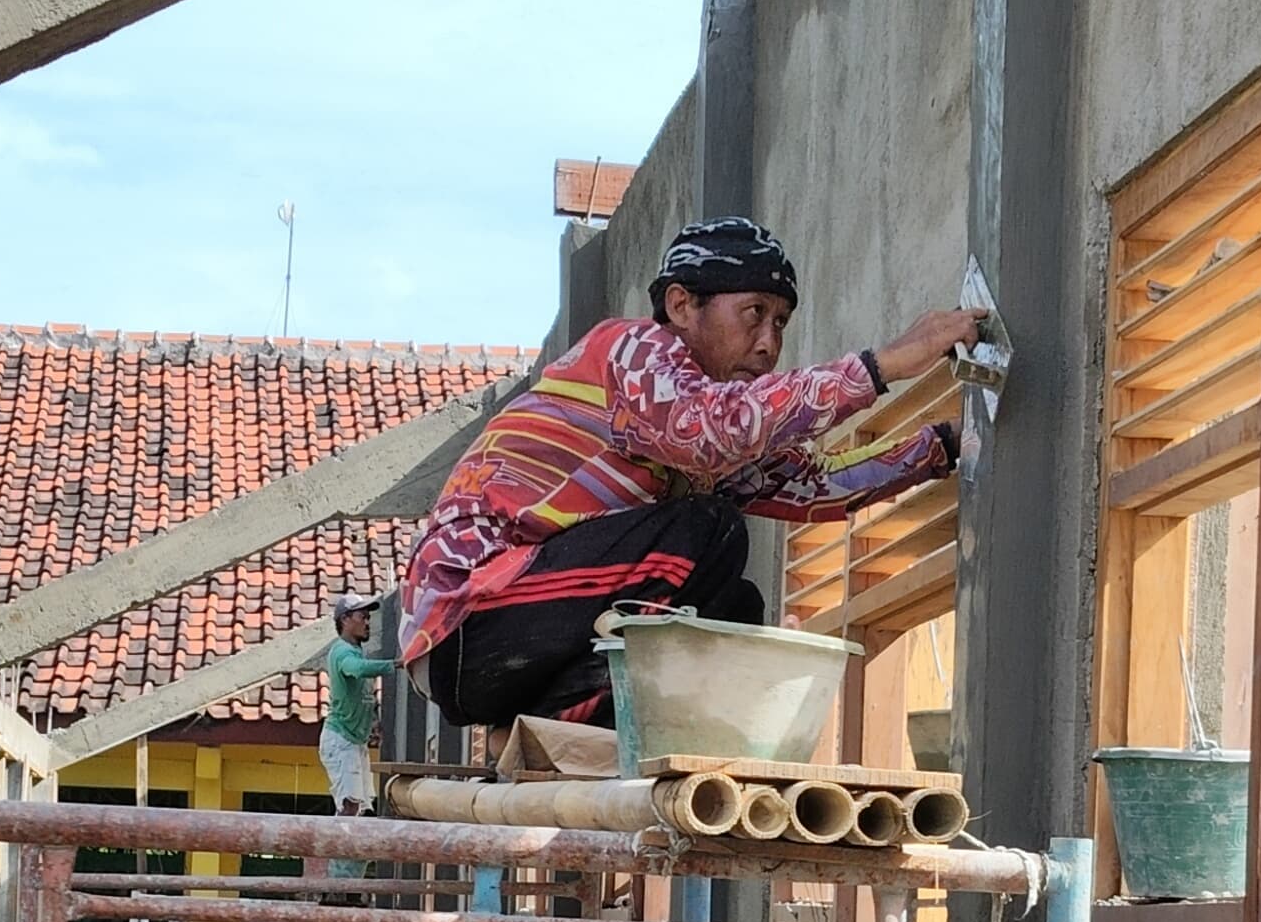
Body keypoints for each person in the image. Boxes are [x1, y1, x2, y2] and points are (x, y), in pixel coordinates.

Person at [398, 216, 984, 728]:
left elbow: (817, 484)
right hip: (469, 622)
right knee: (712, 529)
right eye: (754, 314)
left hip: (522, 635)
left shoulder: (715, 427)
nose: (768, 343)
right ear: (681, 306)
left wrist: (949, 445)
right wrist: (879, 367)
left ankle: (551, 724)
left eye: (780, 323)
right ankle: (558, 722)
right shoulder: (633, 353)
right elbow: (704, 430)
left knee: (734, 611)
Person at [319, 592, 391, 815]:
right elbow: (357, 669)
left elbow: (363, 692)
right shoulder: (342, 652)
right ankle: (336, 848)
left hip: (354, 741)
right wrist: (396, 664)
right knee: (349, 805)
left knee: (362, 806)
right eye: (363, 617)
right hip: (341, 740)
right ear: (345, 620)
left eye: (368, 617)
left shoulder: (356, 651)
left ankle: (346, 848)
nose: (367, 622)